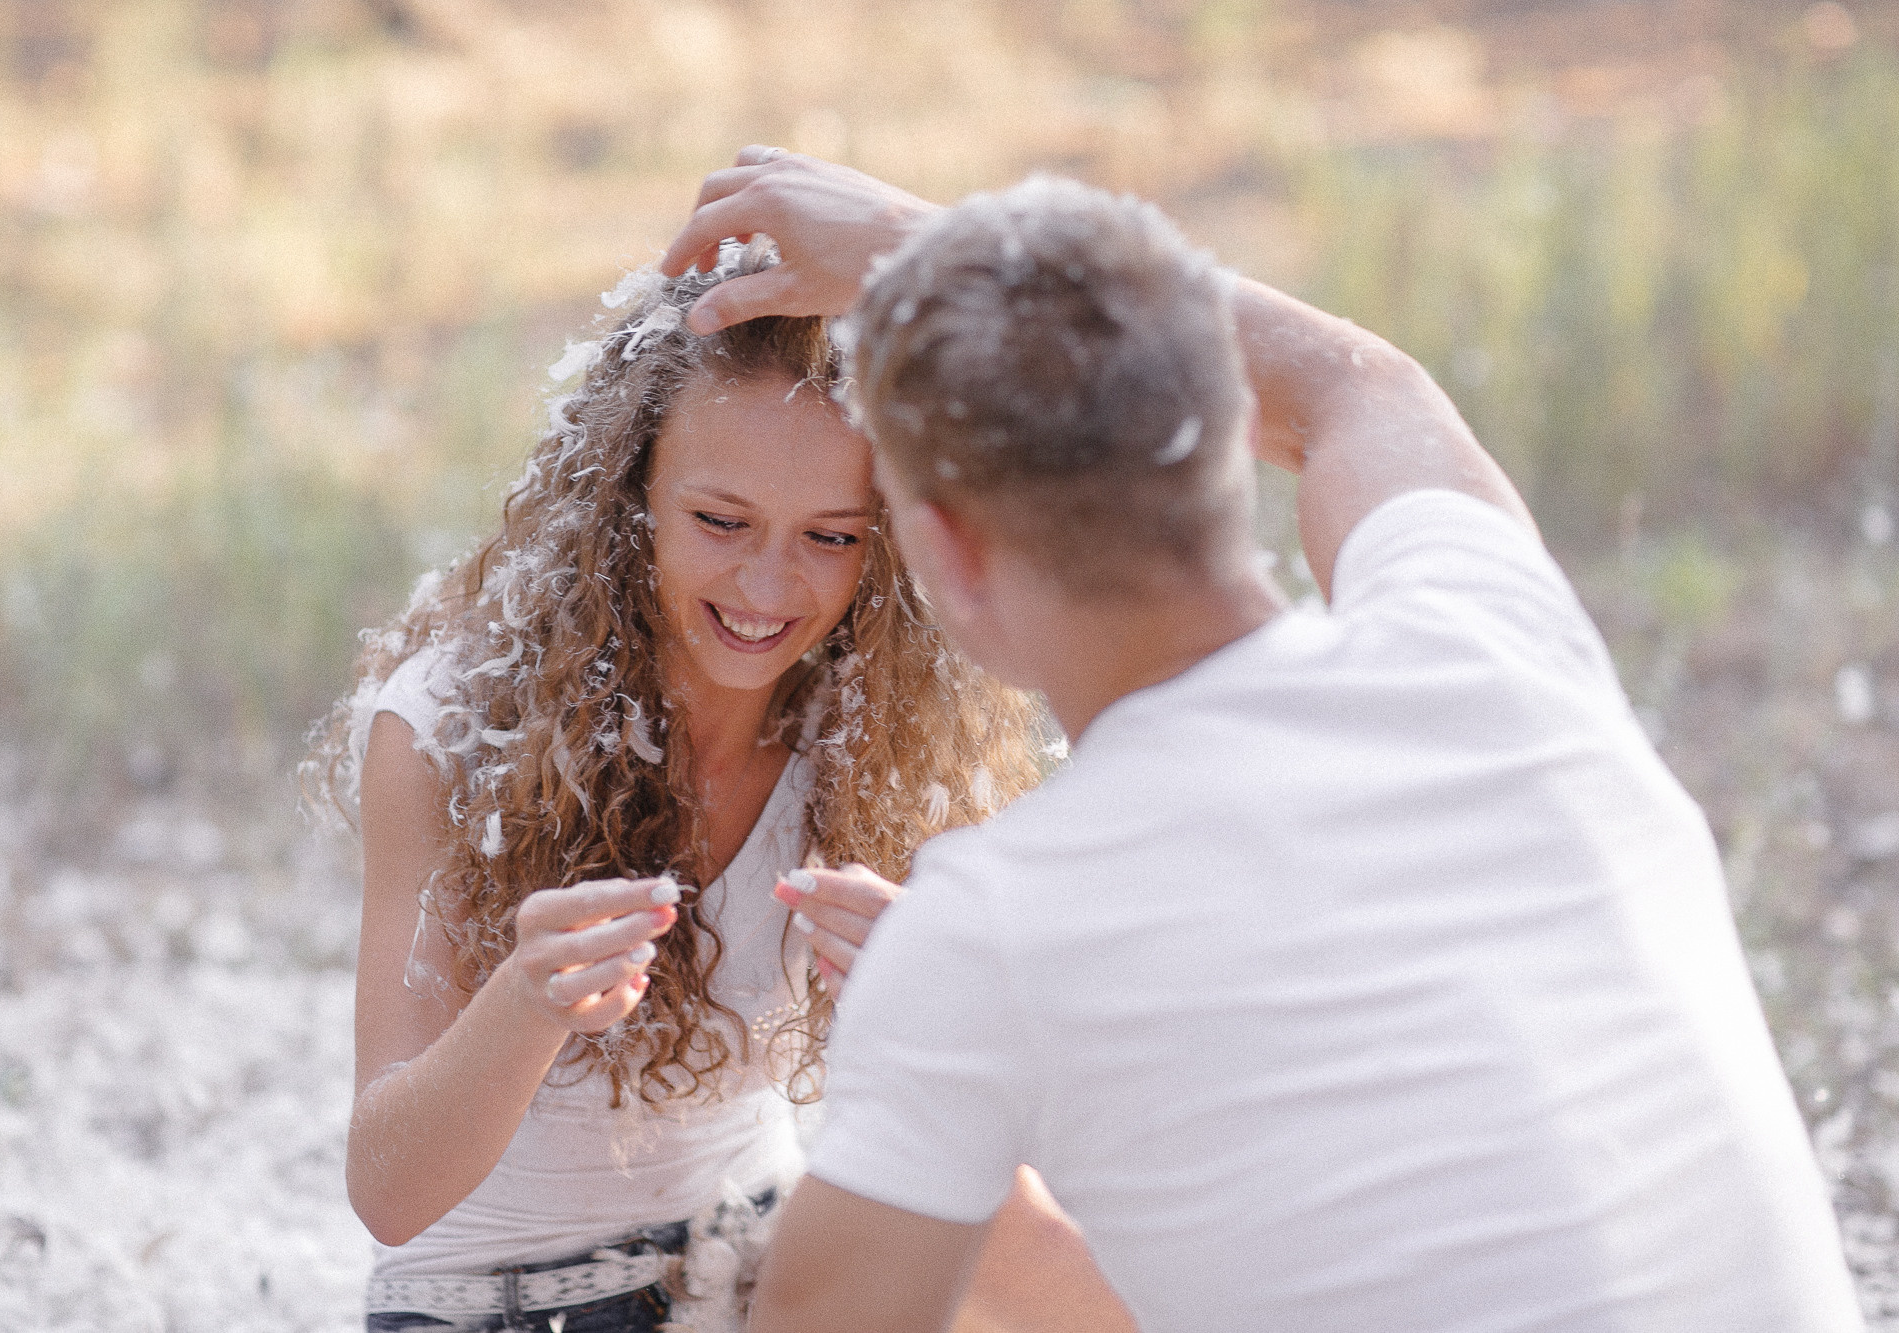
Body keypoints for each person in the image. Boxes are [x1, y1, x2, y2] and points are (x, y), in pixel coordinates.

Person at [654, 155, 1867, 1331]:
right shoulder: (1494, 646)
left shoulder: (993, 926)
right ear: (1230, 440)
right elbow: (1359, 389)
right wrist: (920, 249)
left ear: (944, 550)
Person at [304, 246, 1134, 1332]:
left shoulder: (876, 730)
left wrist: (929, 1008)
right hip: (496, 1302)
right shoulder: (451, 728)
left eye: (831, 538)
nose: (767, 587)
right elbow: (388, 1190)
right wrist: (526, 999)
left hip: (760, 1273)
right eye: (719, 521)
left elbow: (1002, 1216)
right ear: (625, 493)